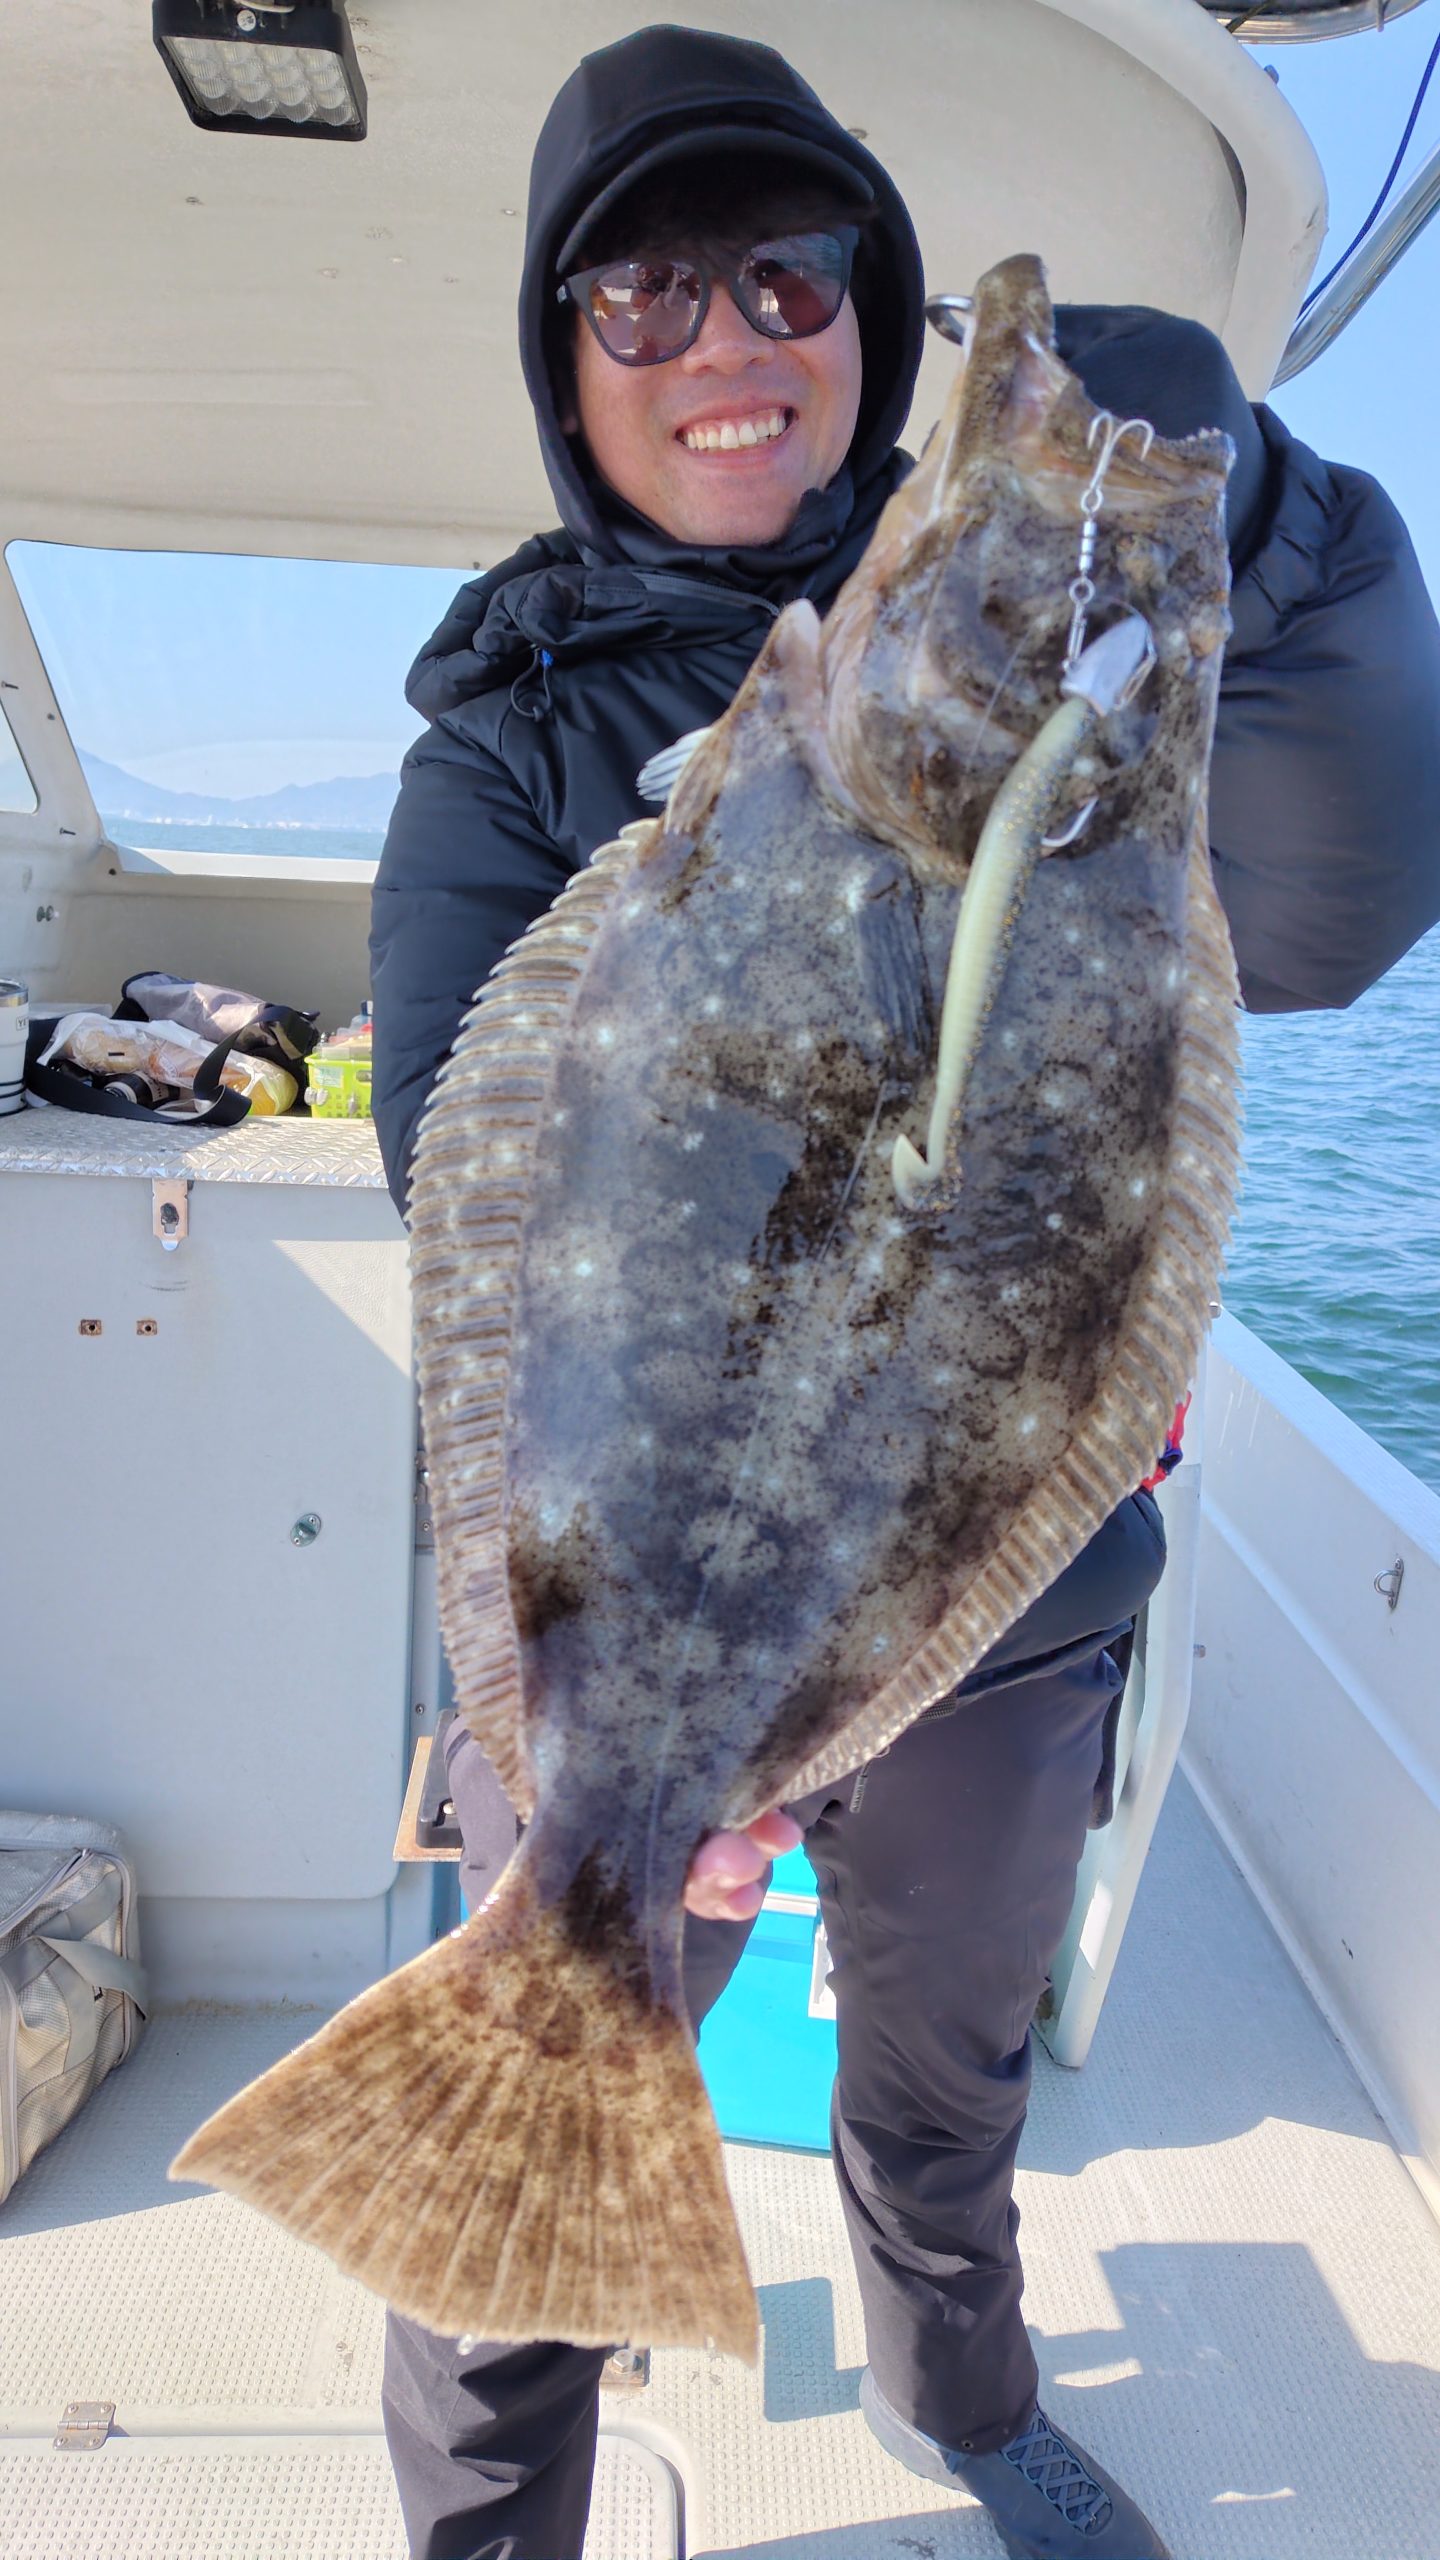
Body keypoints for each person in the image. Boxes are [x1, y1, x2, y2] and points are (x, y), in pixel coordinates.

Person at [370, 26, 1440, 2560]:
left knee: (941, 2082)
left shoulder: (1089, 743)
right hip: (624, 1577)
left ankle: (963, 2399)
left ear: (867, 311)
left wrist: (1267, 534)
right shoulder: (513, 731)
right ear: (565, 368)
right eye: (640, 300)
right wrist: (653, 1739)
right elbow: (460, 1164)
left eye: (787, 270)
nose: (727, 338)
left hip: (1010, 1583)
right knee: (538, 2037)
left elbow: (1347, 889)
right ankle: (484, 2516)